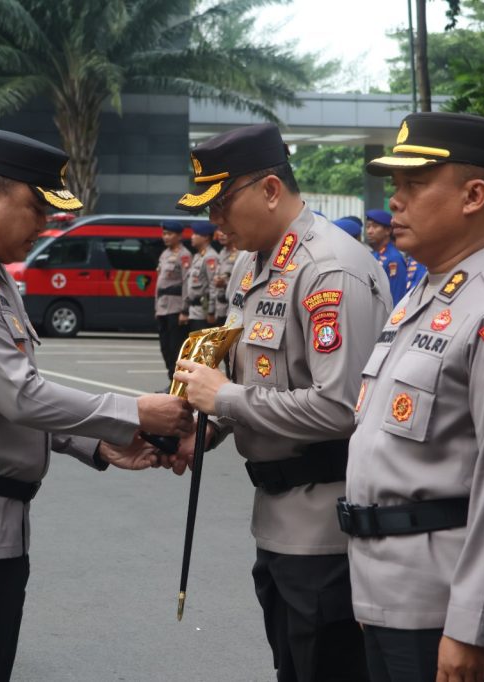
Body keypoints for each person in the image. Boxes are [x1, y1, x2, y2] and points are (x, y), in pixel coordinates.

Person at [0, 128, 193, 681]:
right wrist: (136, 413)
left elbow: (2, 393)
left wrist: (96, 442)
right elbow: (19, 395)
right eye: (35, 208)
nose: (44, 225)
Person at [173, 122, 391, 682]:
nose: (213, 222)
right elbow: (252, 376)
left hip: (325, 527)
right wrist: (210, 424)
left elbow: (340, 407)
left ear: (270, 190)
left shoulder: (329, 267)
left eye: (222, 205)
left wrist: (225, 396)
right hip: (274, 520)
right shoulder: (253, 263)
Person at [340, 111, 484, 682]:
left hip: (444, 608)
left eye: (414, 184)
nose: (397, 201)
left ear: (473, 194)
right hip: (389, 595)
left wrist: (471, 624)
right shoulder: (423, 295)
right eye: (396, 186)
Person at [154, 220, 190, 382]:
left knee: (175, 348)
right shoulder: (165, 254)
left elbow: (187, 282)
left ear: (179, 236)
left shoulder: (184, 255)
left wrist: (185, 310)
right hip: (163, 307)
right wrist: (156, 307)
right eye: (164, 234)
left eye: (169, 234)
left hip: (175, 309)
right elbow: (159, 284)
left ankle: (177, 384)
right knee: (165, 348)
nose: (166, 237)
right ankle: (171, 382)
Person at [181, 221, 219, 332]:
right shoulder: (198, 256)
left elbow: (213, 285)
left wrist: (211, 311)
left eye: (195, 234)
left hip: (203, 313)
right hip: (194, 312)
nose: (191, 237)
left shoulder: (210, 257)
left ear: (206, 237)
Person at [365, 208, 408, 301]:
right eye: (368, 226)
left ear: (388, 230)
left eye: (375, 226)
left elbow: (396, 296)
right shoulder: (375, 254)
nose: (369, 231)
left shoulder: (393, 259)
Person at [213, 226, 240, 321]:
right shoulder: (222, 252)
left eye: (223, 231)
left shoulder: (240, 253)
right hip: (220, 305)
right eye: (219, 231)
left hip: (232, 306)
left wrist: (224, 284)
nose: (221, 234)